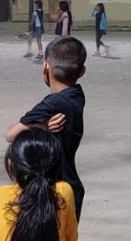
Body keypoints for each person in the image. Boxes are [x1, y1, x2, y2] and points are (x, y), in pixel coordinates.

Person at [6, 36, 87, 220]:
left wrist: (42, 126)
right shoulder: (77, 95)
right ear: (82, 71)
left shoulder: (51, 104)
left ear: (45, 67)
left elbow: (10, 135)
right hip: (72, 189)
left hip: (50, 192)